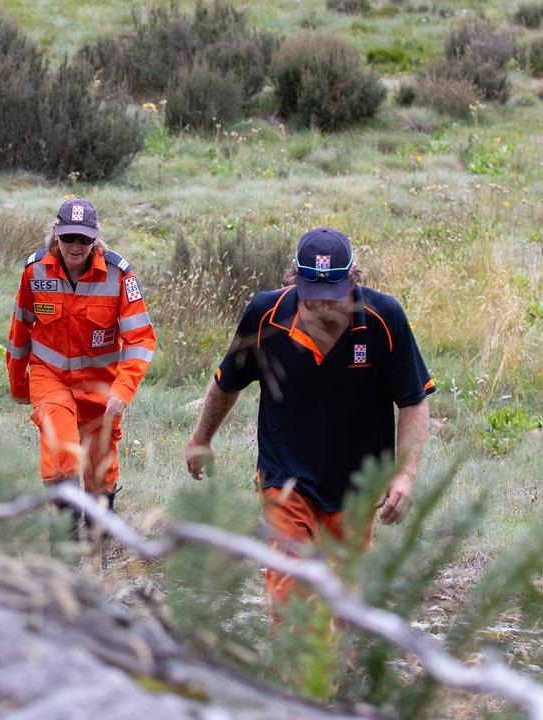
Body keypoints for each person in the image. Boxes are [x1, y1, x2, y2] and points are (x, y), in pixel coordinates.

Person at [183, 227, 433, 605]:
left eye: (332, 298)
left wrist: (405, 475)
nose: (321, 307)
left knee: (344, 607)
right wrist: (201, 438)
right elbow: (227, 383)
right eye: (311, 298)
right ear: (294, 280)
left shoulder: (386, 319)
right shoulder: (265, 315)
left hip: (358, 486)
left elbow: (414, 400)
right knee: (290, 600)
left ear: (352, 280)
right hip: (285, 479)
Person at [6, 197, 156, 515]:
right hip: (51, 377)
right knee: (60, 455)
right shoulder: (34, 271)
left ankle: (99, 544)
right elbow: (20, 332)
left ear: (95, 238)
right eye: (69, 237)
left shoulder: (119, 276)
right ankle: (65, 540)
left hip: (101, 385)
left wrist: (123, 388)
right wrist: (20, 385)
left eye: (85, 239)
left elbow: (140, 338)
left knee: (100, 472)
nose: (76, 246)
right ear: (55, 234)